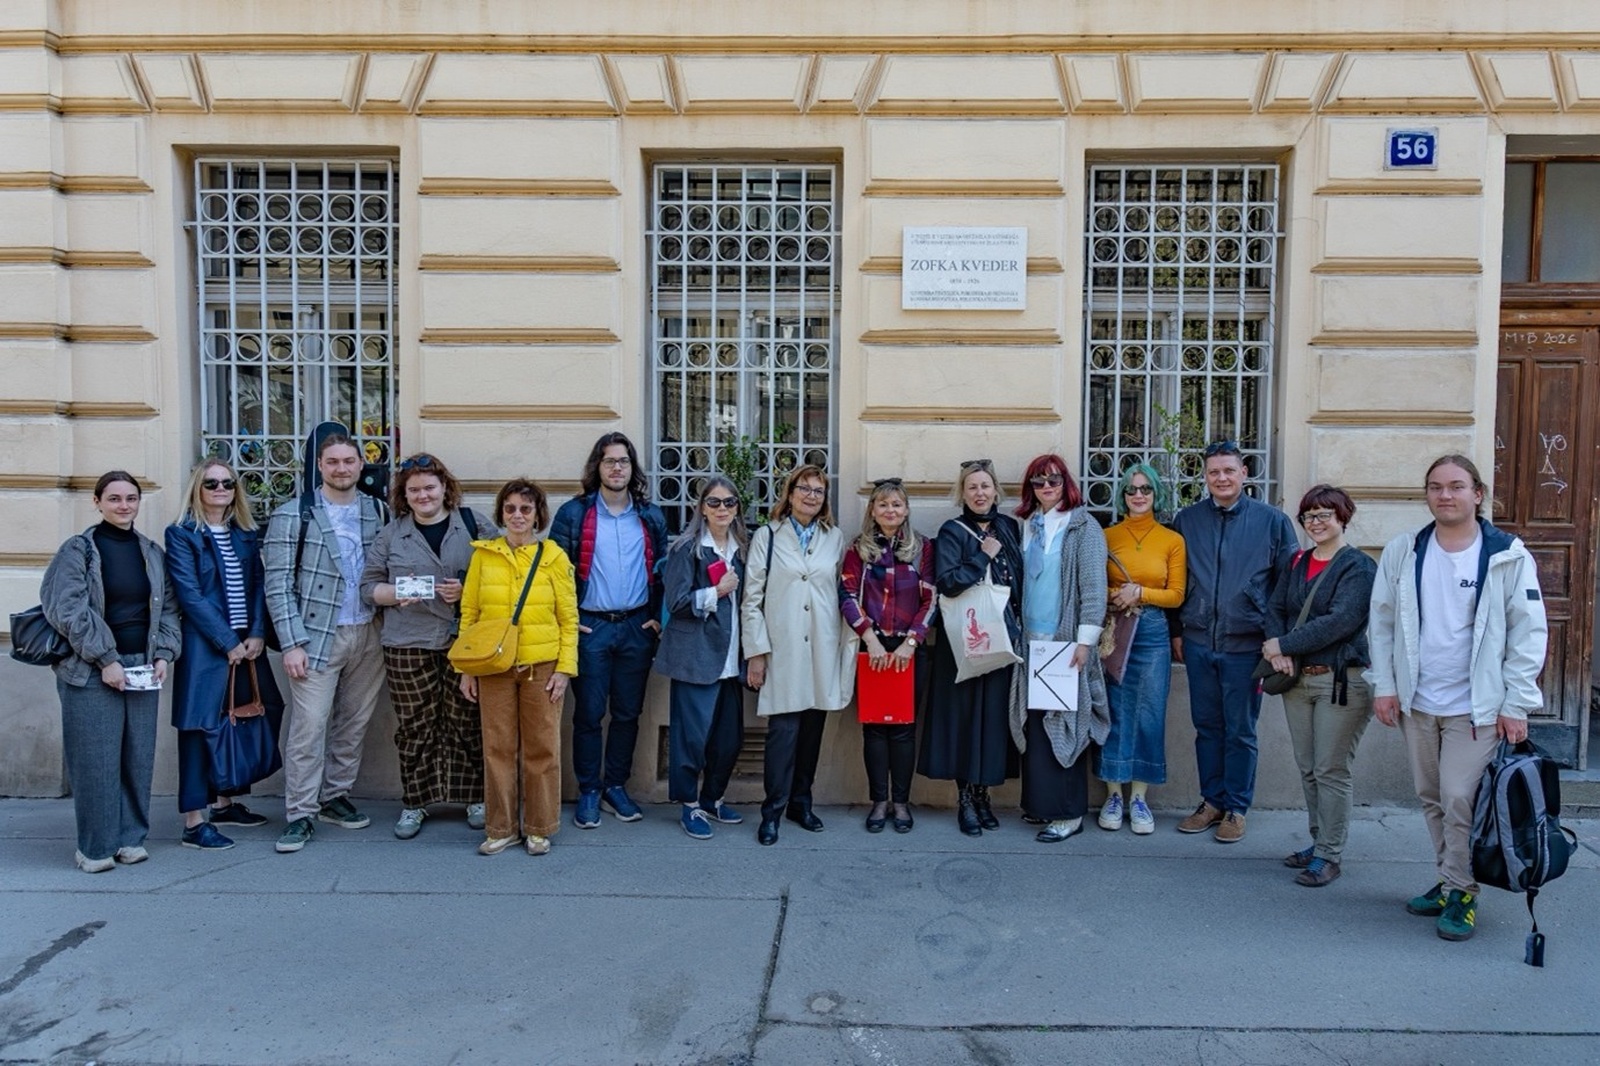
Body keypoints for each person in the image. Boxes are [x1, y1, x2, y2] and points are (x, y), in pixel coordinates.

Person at [1368, 455, 1547, 940]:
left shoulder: (1507, 554)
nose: (1445, 495)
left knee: (1458, 795)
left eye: (1456, 486)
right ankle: (1449, 877)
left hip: (1478, 706)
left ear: (1477, 493)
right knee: (1431, 797)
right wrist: (1384, 685)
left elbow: (1528, 633)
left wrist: (1516, 703)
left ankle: (1463, 890)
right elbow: (1381, 623)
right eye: (1435, 487)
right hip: (1418, 700)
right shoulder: (1406, 550)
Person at [40, 471, 181, 872]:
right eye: (115, 498)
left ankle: (130, 839)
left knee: (137, 758)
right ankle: (95, 848)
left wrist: (164, 655)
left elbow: (169, 609)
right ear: (97, 502)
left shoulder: (152, 552)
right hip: (90, 670)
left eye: (131, 498)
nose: (124, 506)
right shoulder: (78, 550)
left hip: (142, 667)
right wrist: (106, 659)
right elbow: (67, 609)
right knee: (96, 761)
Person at [263, 433, 390, 854]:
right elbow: (277, 584)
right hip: (316, 636)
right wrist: (291, 641)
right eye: (332, 462)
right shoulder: (292, 514)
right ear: (319, 466)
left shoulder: (378, 510)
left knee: (353, 723)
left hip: (368, 632)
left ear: (360, 465)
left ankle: (335, 796)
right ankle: (300, 812)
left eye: (349, 461)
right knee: (309, 728)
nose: (341, 468)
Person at [1169, 440, 1297, 843]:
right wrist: (1177, 630)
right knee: (1206, 726)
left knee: (1240, 729)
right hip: (1198, 640)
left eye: (1228, 470)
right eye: (1213, 472)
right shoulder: (1187, 520)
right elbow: (1176, 579)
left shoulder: (1272, 522)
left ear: (1244, 473)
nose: (1221, 478)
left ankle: (1236, 808)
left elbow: (1287, 586)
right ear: (1204, 477)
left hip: (1247, 645)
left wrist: (1277, 640)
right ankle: (1212, 801)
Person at [360, 453, 493, 840]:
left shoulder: (474, 525)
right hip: (407, 641)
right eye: (414, 489)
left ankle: (475, 798)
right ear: (404, 494)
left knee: (465, 721)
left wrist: (466, 590)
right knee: (415, 726)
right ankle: (414, 802)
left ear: (444, 488)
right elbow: (368, 588)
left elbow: (505, 576)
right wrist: (396, 592)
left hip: (463, 642)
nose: (423, 496)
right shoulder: (391, 534)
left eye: (429, 488)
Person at [550, 432, 669, 829]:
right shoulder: (574, 513)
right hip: (591, 628)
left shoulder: (650, 516)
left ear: (632, 469)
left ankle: (615, 786)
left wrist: (657, 617)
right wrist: (568, 619)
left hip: (636, 627)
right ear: (596, 468)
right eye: (609, 461)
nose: (616, 468)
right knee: (588, 713)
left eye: (623, 461)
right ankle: (589, 790)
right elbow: (556, 572)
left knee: (627, 713)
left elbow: (664, 571)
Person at [165, 459, 285, 850]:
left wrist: (254, 633)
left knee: (253, 710)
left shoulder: (244, 534)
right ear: (197, 489)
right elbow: (190, 595)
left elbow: (256, 586)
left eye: (228, 483)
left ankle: (225, 801)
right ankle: (194, 821)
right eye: (211, 483)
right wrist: (225, 640)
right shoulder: (182, 534)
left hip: (245, 642)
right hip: (205, 644)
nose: (220, 489)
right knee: (200, 726)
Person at [1262, 485, 1377, 887]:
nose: (1316, 522)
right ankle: (1319, 841)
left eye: (1325, 514)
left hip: (1340, 682)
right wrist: (1277, 651)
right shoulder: (1297, 562)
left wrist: (1284, 644)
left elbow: (1341, 621)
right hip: (1297, 681)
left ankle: (1330, 854)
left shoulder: (1358, 567)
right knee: (1309, 768)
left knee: (1331, 769)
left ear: (1343, 516)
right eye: (1309, 516)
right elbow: (1276, 607)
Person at [458, 478, 579, 857]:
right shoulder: (483, 555)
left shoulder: (554, 557)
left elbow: (569, 617)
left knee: (542, 749)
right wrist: (466, 668)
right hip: (493, 665)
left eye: (525, 509)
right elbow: (470, 613)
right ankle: (501, 827)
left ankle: (540, 828)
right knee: (497, 748)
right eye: (510, 508)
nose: (517, 516)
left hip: (541, 665)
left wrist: (564, 669)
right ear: (501, 513)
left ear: (538, 515)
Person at [742, 464, 856, 846]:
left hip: (822, 646)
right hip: (783, 649)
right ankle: (772, 809)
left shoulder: (834, 538)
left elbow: (843, 593)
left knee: (811, 731)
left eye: (818, 491)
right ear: (789, 494)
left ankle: (801, 803)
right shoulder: (767, 536)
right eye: (804, 488)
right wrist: (756, 652)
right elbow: (751, 599)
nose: (811, 495)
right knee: (783, 733)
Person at [1008, 455, 1110, 844]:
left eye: (1052, 480)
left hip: (1065, 643)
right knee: (1035, 727)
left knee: (1064, 726)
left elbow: (1094, 589)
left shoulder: (1084, 527)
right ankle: (1041, 806)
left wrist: (1085, 642)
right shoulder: (1028, 526)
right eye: (1037, 481)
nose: (1046, 487)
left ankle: (1068, 814)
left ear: (1065, 483)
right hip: (1030, 642)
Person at [920, 458, 1024, 836]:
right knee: (963, 720)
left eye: (985, 486)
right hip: (963, 640)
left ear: (996, 489)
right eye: (972, 487)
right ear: (962, 493)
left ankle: (984, 796)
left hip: (1002, 638)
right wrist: (984, 555)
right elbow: (948, 582)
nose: (980, 493)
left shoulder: (1009, 527)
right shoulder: (952, 531)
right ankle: (964, 798)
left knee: (992, 720)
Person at [653, 477, 750, 840]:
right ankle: (689, 805)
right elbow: (676, 603)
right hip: (696, 657)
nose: (722, 509)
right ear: (702, 508)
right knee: (690, 739)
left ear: (737, 508)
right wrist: (716, 591)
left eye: (729, 502)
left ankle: (713, 798)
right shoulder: (687, 549)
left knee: (728, 739)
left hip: (730, 660)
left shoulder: (743, 549)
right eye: (714, 503)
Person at [839, 477, 936, 834]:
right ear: (873, 510)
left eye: (896, 504)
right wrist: (869, 637)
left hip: (909, 651)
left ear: (906, 509)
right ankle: (879, 801)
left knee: (904, 730)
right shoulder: (858, 549)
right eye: (883, 505)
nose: (890, 510)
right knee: (875, 730)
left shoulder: (922, 548)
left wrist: (912, 642)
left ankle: (901, 802)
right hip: (873, 649)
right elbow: (847, 595)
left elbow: (931, 597)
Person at [1097, 464, 1186, 835]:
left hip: (1152, 630)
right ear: (1122, 494)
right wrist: (1114, 596)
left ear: (1156, 495)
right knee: (1114, 709)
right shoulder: (1106, 535)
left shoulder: (1171, 540)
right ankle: (1113, 794)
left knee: (1150, 711)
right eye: (1132, 489)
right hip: (1115, 626)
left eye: (1146, 489)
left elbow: (1177, 594)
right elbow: (1092, 583)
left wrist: (1142, 593)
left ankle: (1139, 797)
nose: (1139, 495)